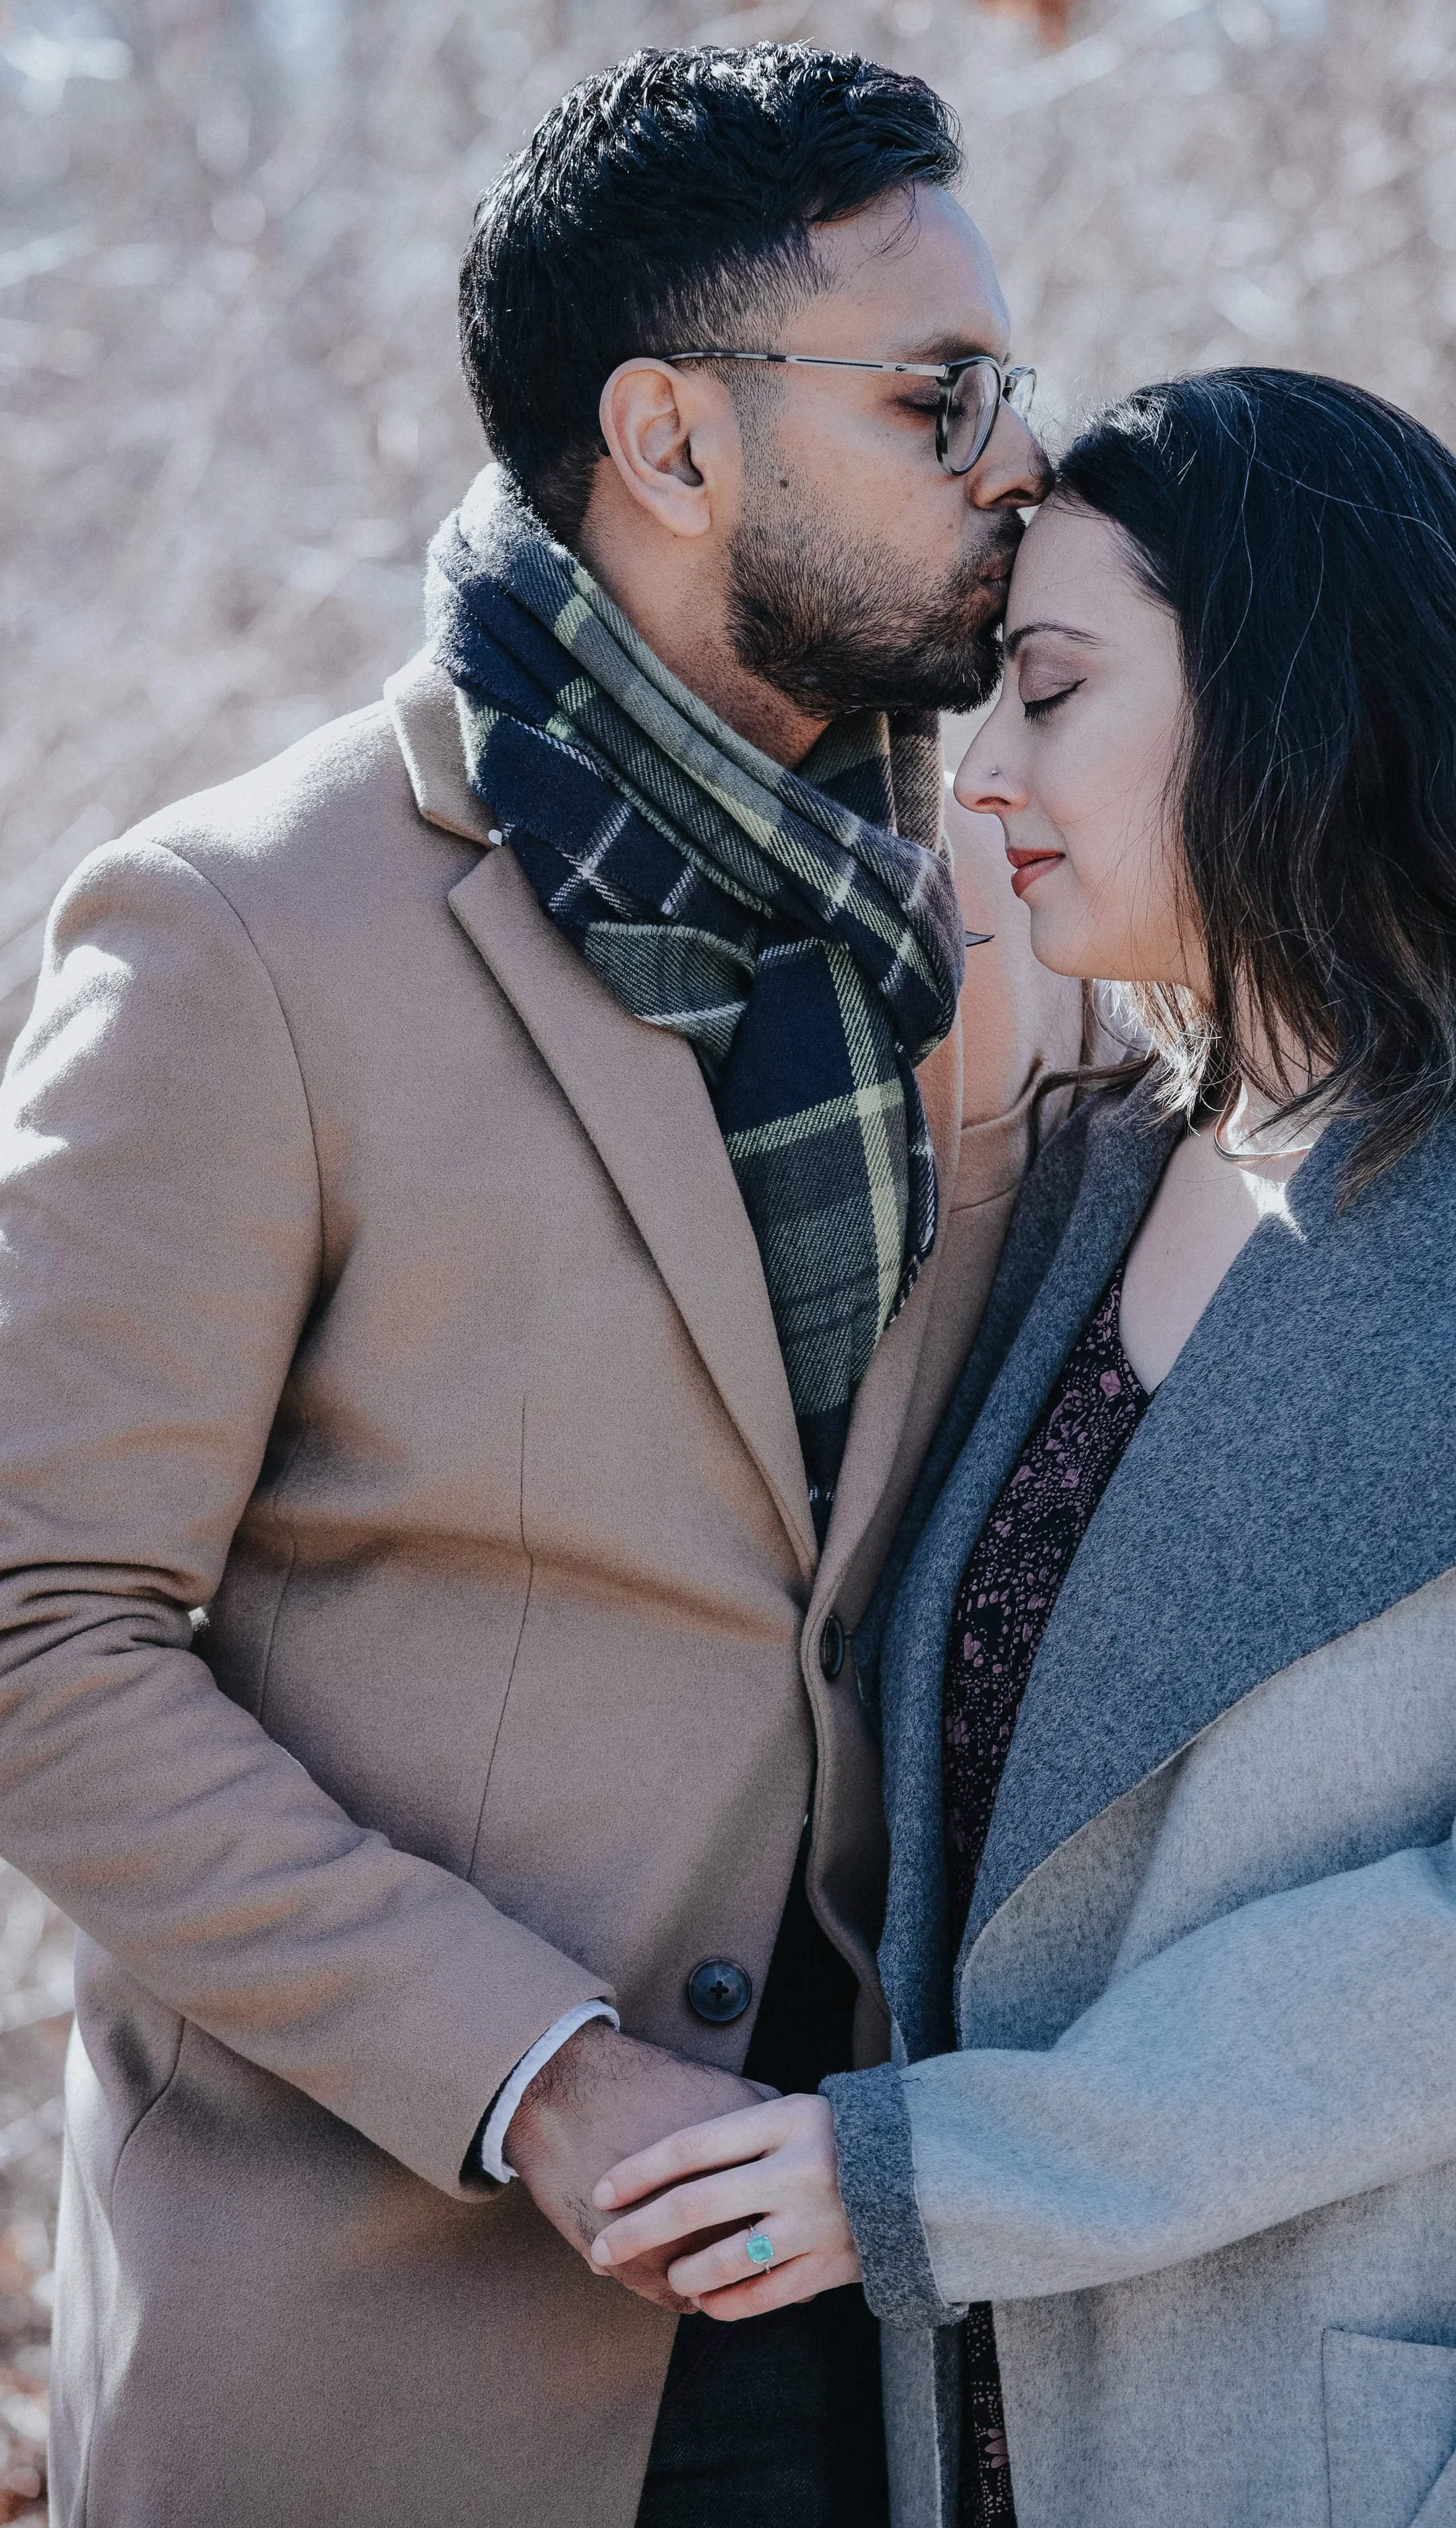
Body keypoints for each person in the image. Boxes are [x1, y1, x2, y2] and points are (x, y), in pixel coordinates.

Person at [0, 43, 1076, 2528]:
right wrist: (544, 2070)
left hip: (920, 2329)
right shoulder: (236, 936)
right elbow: (45, 1630)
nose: (1017, 457)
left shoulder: (1001, 908)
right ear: (672, 440)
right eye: (942, 395)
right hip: (404, 2342)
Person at [584, 369, 1456, 2528]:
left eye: (1053, 690)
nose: (981, 770)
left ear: (1287, 700)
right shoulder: (1079, 1177)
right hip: (987, 2414)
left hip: (1393, 2420)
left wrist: (949, 2173)